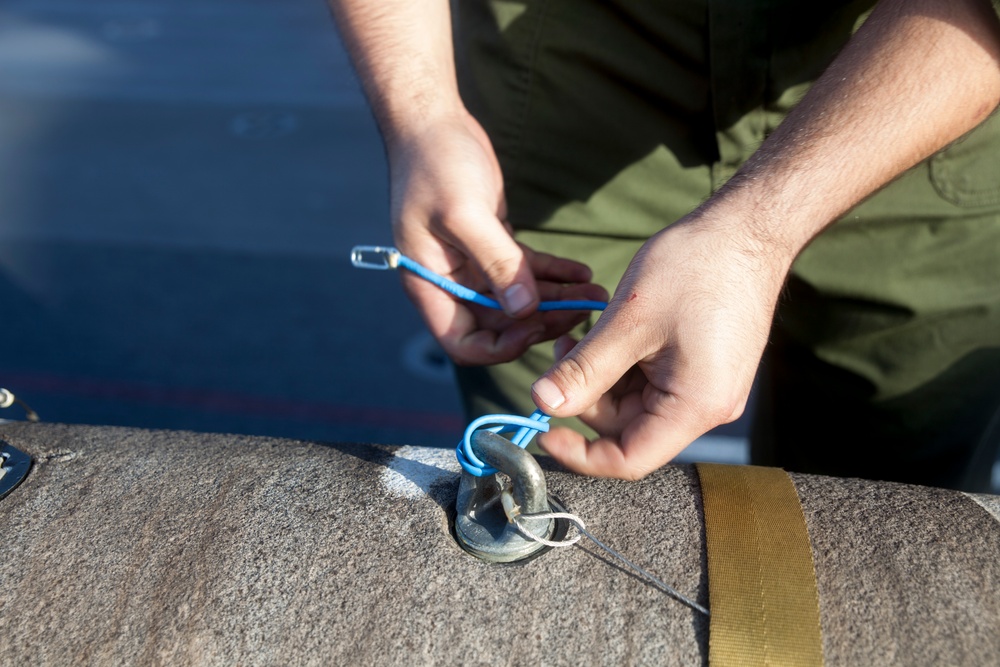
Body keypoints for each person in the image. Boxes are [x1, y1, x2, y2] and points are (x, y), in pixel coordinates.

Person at [330, 0, 1000, 491]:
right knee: (544, 483)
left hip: (912, 119)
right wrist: (423, 115)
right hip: (564, 97)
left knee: (886, 515)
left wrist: (754, 235)